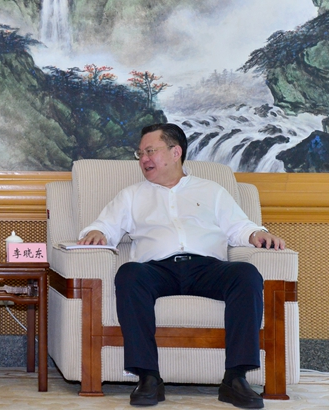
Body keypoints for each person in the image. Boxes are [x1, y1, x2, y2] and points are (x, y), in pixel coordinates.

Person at [78, 123, 285, 409]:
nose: (143, 159)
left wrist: (256, 234)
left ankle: (235, 378)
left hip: (207, 268)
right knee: (129, 273)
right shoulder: (131, 195)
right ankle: (148, 377)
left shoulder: (211, 191)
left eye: (150, 151)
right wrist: (97, 232)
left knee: (246, 274)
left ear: (175, 152)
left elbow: (240, 226)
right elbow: (105, 226)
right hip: (156, 270)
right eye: (140, 154)